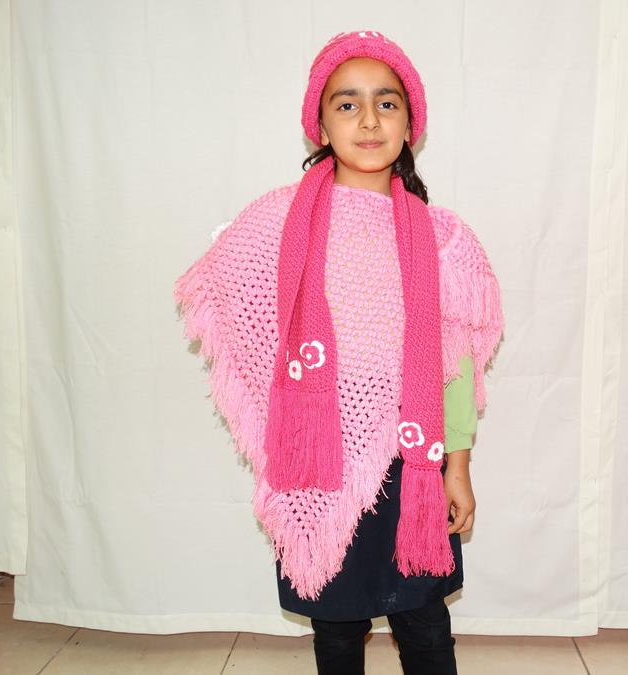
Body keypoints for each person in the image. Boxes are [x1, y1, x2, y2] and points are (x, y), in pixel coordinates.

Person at [173, 29, 504, 675]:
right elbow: (232, 302)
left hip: (411, 462)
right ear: (320, 126)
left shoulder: (442, 239)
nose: (369, 119)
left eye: (387, 103)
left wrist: (458, 468)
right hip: (317, 459)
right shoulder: (278, 222)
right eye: (347, 104)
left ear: (410, 124)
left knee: (424, 623)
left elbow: (455, 368)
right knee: (336, 626)